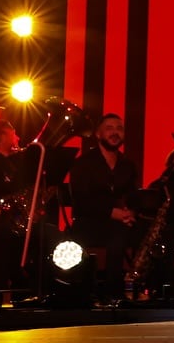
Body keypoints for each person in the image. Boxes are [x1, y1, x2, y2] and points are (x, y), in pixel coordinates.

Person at [66, 113, 141, 298]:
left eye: (119, 128)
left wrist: (131, 212)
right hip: (90, 222)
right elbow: (81, 201)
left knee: (147, 231)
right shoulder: (84, 163)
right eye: (109, 128)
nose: (115, 132)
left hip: (121, 222)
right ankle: (112, 294)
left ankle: (144, 290)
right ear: (98, 135)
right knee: (117, 235)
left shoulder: (128, 165)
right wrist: (111, 212)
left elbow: (133, 196)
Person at [0, 120, 23, 307]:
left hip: (5, 218)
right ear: (1, 134)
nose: (17, 137)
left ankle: (21, 291)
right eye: (13, 132)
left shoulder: (10, 164)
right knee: (1, 232)